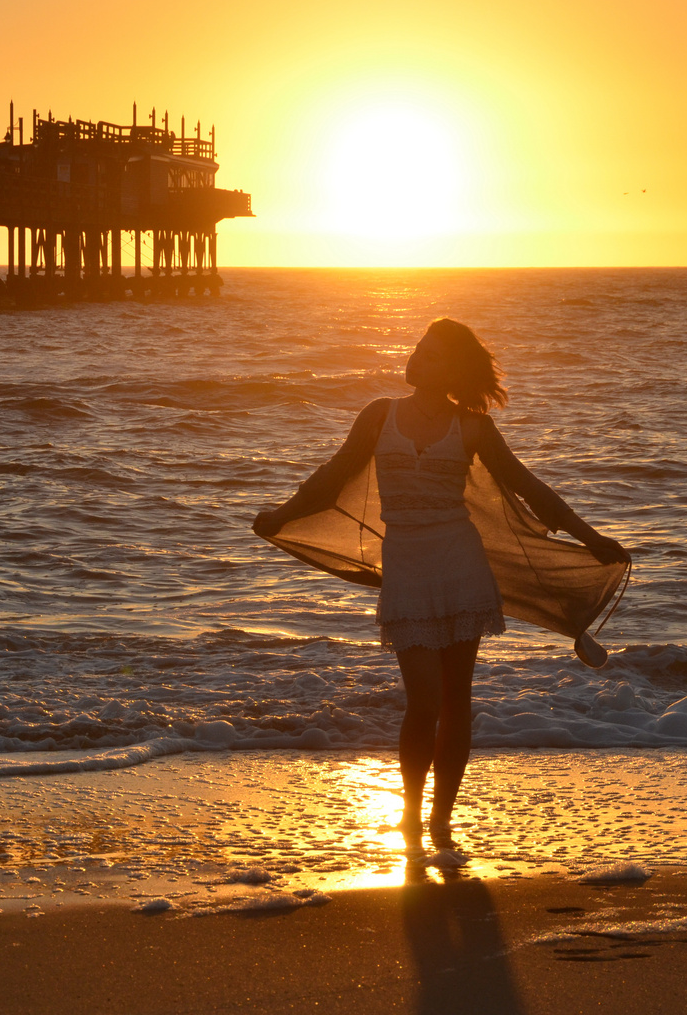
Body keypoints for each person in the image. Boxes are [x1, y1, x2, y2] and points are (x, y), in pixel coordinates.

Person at [252, 318, 628, 851]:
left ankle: (441, 820)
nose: (415, 359)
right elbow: (332, 477)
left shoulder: (471, 426)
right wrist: (283, 513)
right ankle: (409, 813)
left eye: (429, 355)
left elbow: (530, 491)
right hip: (406, 566)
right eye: (417, 349)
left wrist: (591, 539)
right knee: (423, 700)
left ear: (451, 369)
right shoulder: (379, 415)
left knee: (456, 700)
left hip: (460, 565)